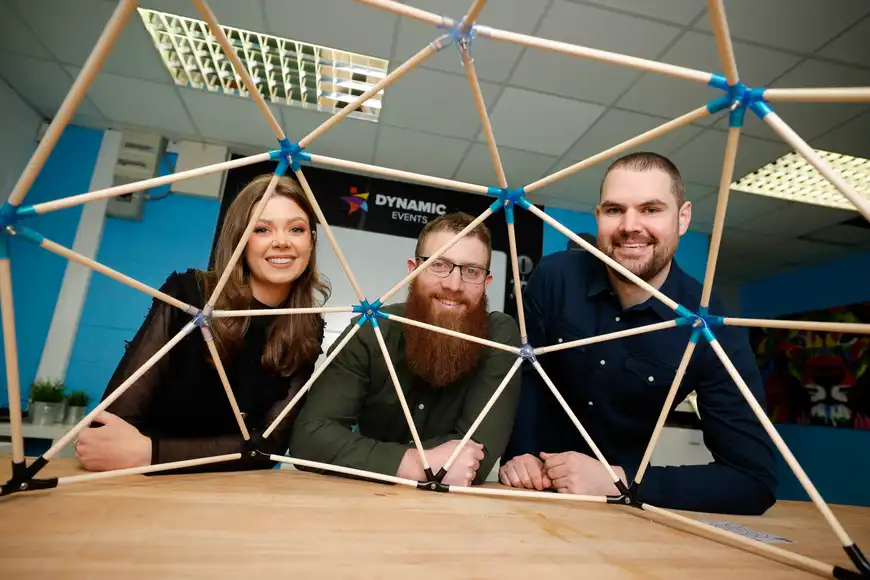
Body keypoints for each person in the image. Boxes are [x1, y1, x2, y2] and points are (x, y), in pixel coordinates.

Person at [499, 152, 778, 515]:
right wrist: (520, 452)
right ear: (598, 217)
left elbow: (753, 481)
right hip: (526, 487)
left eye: (650, 209)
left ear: (683, 218)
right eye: (615, 210)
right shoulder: (555, 277)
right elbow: (525, 376)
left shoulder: (710, 325)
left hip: (618, 505)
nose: (630, 226)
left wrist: (620, 481)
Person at [75, 174, 329, 473]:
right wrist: (145, 456)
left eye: (296, 229)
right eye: (262, 229)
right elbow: (110, 428)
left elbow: (269, 447)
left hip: (224, 494)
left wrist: (150, 452)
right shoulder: (189, 294)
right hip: (143, 485)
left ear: (311, 241)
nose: (282, 242)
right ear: (240, 240)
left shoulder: (306, 326)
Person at [291, 213, 521, 486]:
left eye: (471, 271)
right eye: (439, 265)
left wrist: (365, 454)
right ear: (413, 270)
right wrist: (410, 464)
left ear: (486, 283)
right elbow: (310, 438)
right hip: (366, 501)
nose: (453, 285)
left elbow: (474, 458)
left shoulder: (499, 336)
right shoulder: (371, 330)